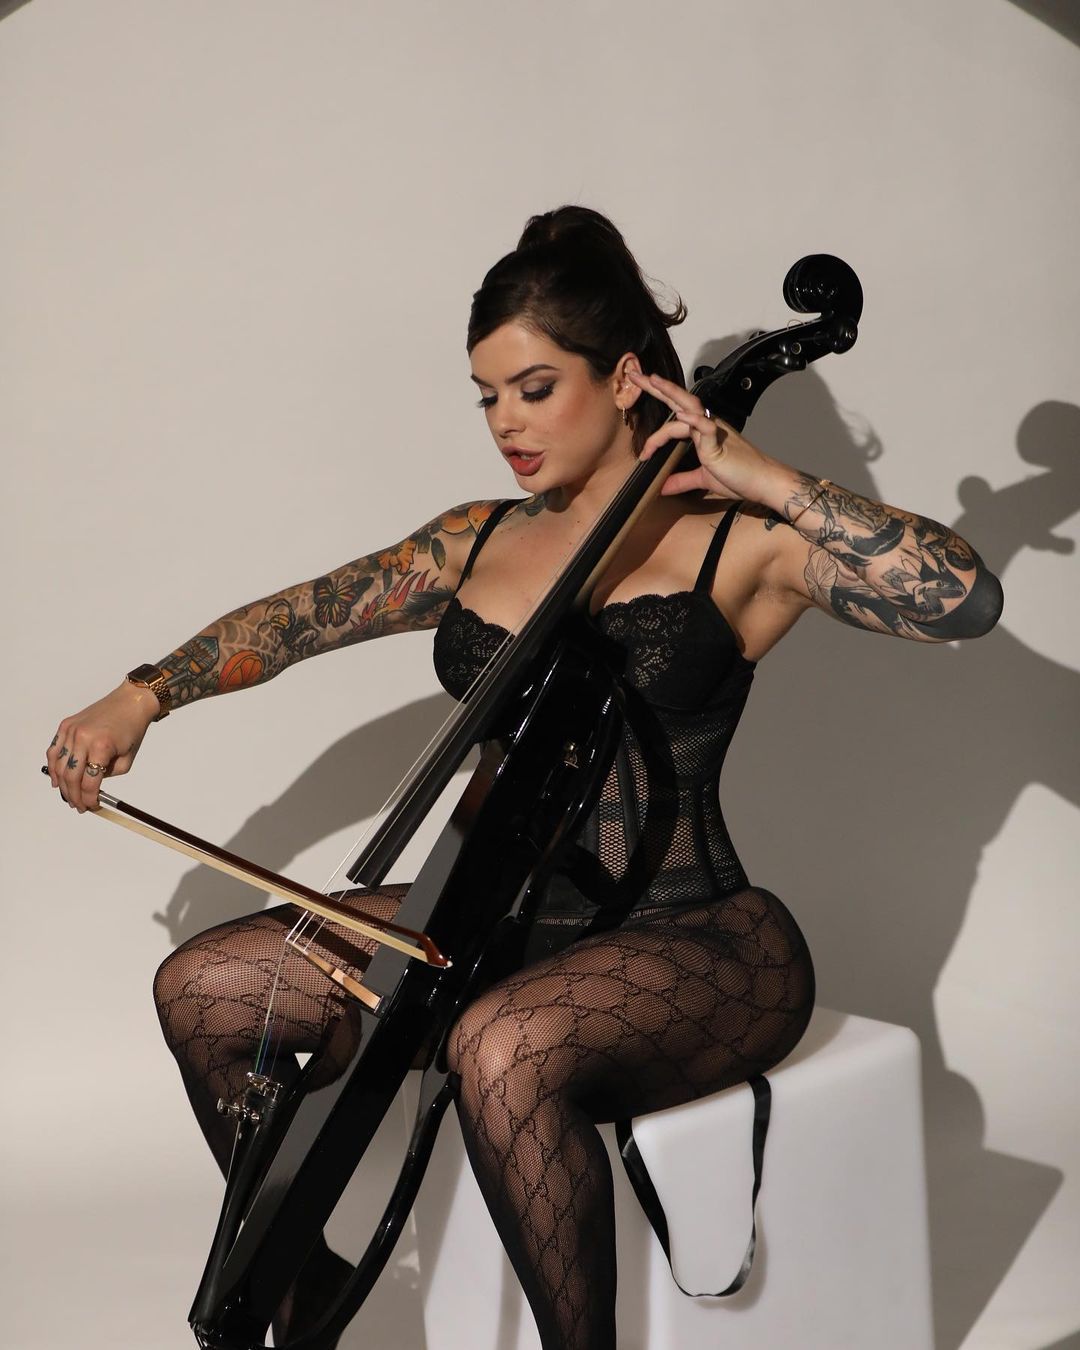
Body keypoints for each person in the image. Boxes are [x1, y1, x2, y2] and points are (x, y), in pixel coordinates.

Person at [45, 205, 1003, 1350]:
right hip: (496, 924)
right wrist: (143, 694)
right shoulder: (480, 538)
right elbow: (305, 617)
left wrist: (765, 475)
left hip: (697, 940)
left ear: (625, 377)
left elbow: (962, 599)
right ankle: (301, 1288)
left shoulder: (740, 544)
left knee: (499, 1048)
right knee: (203, 986)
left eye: (535, 388)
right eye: (487, 395)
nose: (506, 421)